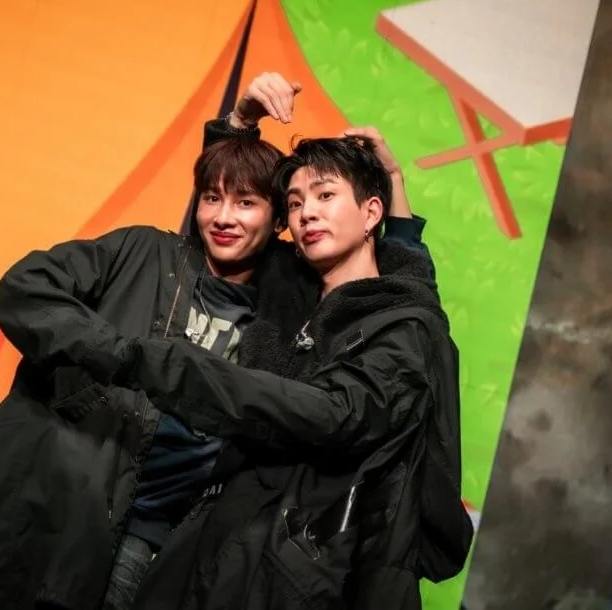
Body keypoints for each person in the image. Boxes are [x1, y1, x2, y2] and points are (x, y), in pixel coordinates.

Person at [0, 71, 434, 610]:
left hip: (152, 540)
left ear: (279, 224)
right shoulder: (147, 254)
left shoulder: (289, 301)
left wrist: (393, 183)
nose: (223, 217)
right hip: (53, 502)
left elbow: (398, 290)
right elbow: (26, 289)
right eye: (210, 199)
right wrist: (117, 355)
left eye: (248, 204)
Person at [65, 135, 472, 609]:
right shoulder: (287, 290)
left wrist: (188, 371)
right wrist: (239, 126)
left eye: (325, 195)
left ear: (371, 213)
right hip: (214, 542)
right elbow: (222, 229)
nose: (307, 213)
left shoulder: (402, 325)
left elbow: (339, 411)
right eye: (295, 203)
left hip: (307, 568)